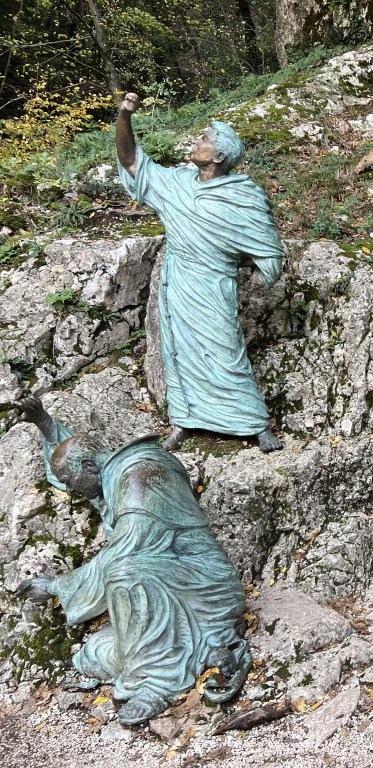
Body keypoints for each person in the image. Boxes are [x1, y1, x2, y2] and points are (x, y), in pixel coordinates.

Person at [14, 397, 251, 726]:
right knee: (92, 654)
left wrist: (57, 586)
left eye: (69, 481)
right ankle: (203, 650)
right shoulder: (113, 475)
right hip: (165, 590)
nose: (69, 490)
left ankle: (159, 683)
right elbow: (75, 459)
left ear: (91, 468)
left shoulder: (140, 478)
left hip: (203, 589)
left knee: (125, 573)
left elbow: (125, 551)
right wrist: (45, 424)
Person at [116, 92, 284, 452]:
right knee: (180, 352)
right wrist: (124, 117)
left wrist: (233, 259)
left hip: (215, 287)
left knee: (226, 352)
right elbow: (131, 161)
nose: (197, 141)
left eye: (205, 139)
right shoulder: (175, 184)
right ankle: (184, 420)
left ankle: (255, 422)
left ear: (219, 155)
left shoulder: (245, 196)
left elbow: (268, 254)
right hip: (179, 285)